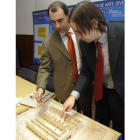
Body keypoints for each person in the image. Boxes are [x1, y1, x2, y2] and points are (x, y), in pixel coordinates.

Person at [61, 1, 124, 139]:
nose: (78, 37)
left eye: (79, 31)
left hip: (122, 94)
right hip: (102, 93)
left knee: (121, 130)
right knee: (101, 128)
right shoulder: (85, 43)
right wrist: (73, 96)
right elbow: (86, 72)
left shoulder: (124, 33)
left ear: (94, 23)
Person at [35, 1, 92, 118]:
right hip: (63, 88)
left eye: (60, 20)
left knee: (85, 118)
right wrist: (40, 87)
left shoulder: (82, 33)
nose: (57, 26)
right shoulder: (48, 41)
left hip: (84, 86)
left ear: (68, 15)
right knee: (66, 119)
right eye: (53, 22)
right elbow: (44, 68)